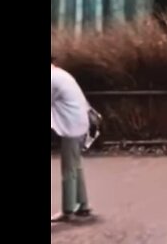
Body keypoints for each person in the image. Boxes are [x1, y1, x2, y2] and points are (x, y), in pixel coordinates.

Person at [50, 55, 92, 223]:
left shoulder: (52, 78)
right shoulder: (60, 74)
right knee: (76, 166)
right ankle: (83, 205)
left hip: (72, 126)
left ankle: (68, 210)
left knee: (68, 168)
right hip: (79, 123)